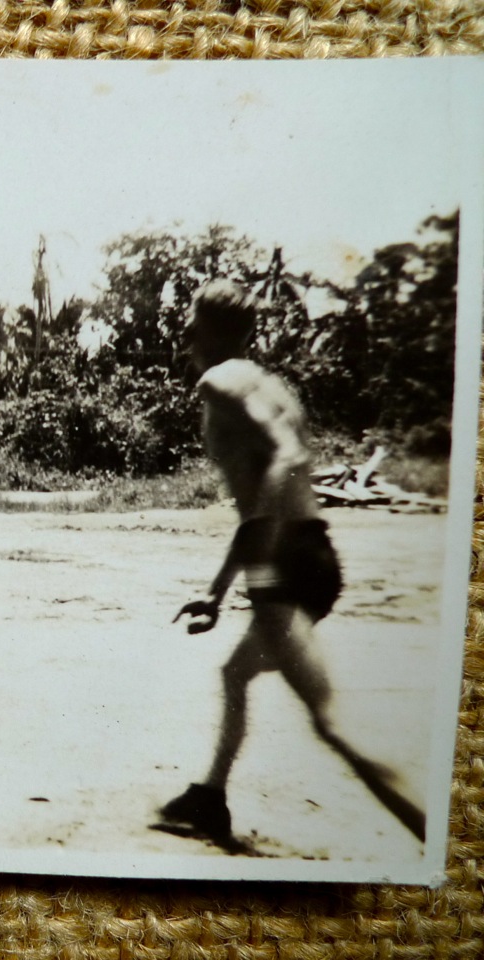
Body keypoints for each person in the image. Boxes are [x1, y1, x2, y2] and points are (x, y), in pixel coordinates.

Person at [161, 280, 425, 848]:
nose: (185, 332)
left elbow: (287, 454)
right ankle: (210, 798)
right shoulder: (271, 383)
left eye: (192, 321)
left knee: (332, 723)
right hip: (310, 550)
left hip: (283, 559)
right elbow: (261, 501)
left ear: (208, 329)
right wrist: (217, 590)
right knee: (235, 674)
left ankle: (443, 836)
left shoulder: (220, 379)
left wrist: (260, 541)